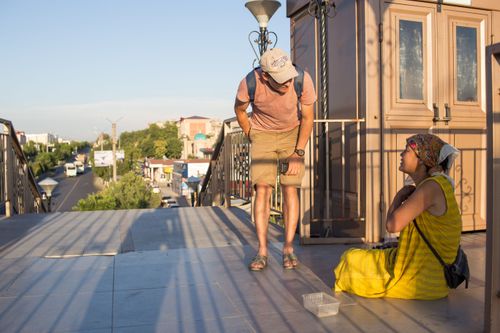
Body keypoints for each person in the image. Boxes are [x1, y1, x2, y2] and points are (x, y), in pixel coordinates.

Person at [334, 133, 461, 299]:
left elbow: (392, 225)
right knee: (361, 255)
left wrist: (398, 197)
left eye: (407, 151)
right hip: (427, 272)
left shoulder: (431, 187)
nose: (401, 155)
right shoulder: (433, 185)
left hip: (422, 280)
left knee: (350, 259)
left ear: (422, 160)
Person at [234, 48, 316, 271]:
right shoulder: (250, 82)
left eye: (289, 77)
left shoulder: (302, 79)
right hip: (262, 133)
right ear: (265, 76)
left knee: (290, 188)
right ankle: (262, 251)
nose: (288, 83)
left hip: (293, 133)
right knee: (263, 189)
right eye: (281, 80)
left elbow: (308, 117)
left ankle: (288, 248)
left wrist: (298, 153)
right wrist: (252, 135)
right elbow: (240, 111)